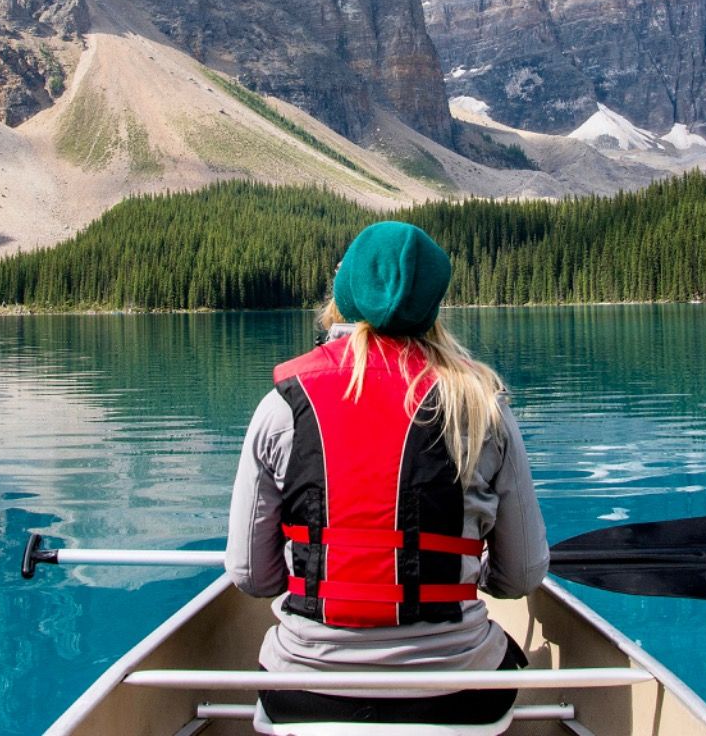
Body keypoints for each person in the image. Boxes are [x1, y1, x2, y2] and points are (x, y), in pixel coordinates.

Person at [226, 221, 549, 727]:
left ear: (344, 297)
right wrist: (471, 574)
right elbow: (522, 577)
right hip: (458, 693)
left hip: (305, 691)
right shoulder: (484, 408)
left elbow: (252, 577)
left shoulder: (281, 407)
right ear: (432, 306)